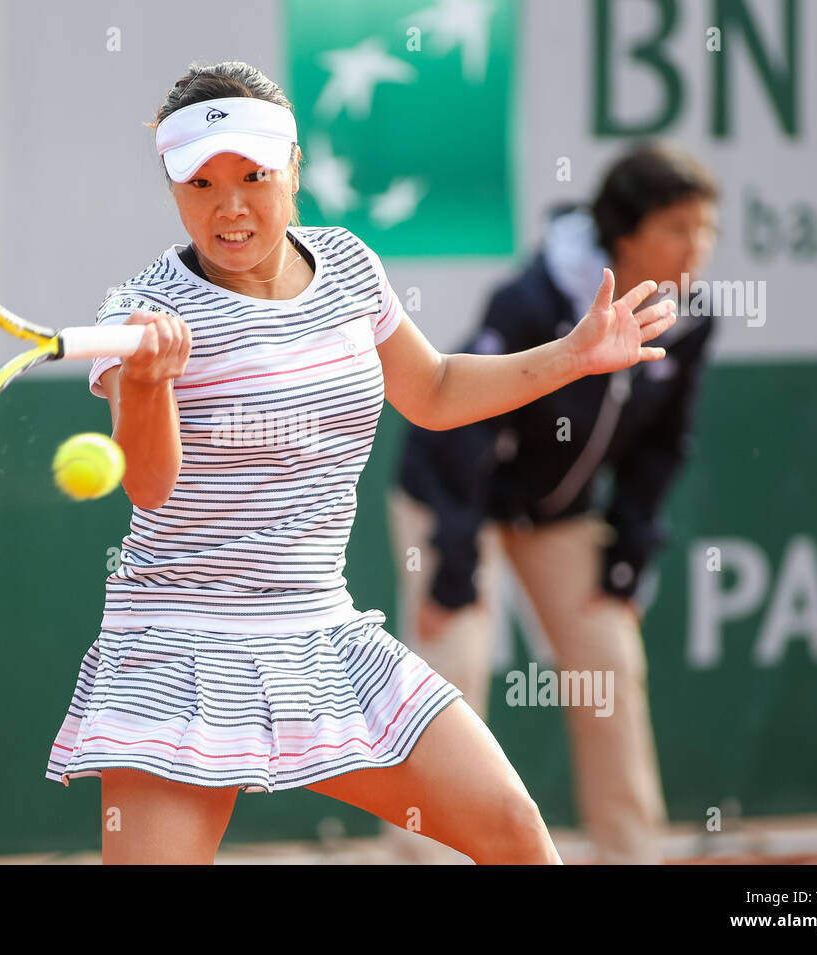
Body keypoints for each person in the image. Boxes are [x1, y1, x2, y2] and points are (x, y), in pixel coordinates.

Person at [44, 61, 678, 865]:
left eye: (252, 175)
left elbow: (436, 390)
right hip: (180, 645)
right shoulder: (146, 314)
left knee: (516, 834)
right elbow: (149, 484)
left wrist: (571, 356)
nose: (228, 205)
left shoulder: (347, 264)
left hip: (323, 631)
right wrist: (147, 382)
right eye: (199, 183)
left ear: (294, 167)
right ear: (173, 189)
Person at [388, 144, 719, 864]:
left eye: (704, 227)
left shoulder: (690, 316)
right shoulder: (530, 304)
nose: (696, 246)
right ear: (625, 236)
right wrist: (453, 565)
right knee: (452, 667)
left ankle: (631, 853)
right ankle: (428, 857)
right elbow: (460, 436)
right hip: (455, 499)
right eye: (676, 227)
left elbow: (662, 448)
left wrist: (627, 556)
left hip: (558, 514)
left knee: (609, 664)